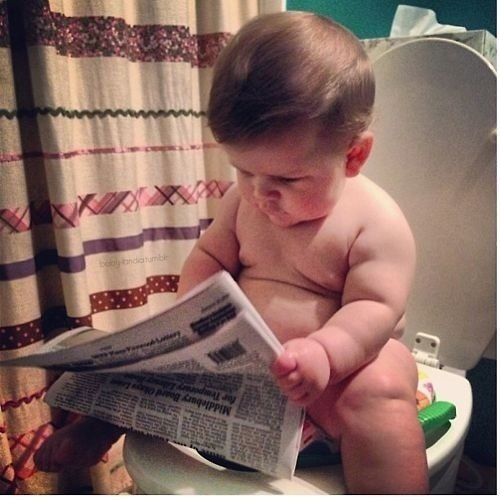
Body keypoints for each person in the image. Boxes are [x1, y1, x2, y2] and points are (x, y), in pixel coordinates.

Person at [34, 11, 428, 493]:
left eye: (286, 179)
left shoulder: (376, 221)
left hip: (334, 376)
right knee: (147, 366)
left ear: (353, 156)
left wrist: (326, 352)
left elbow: (377, 307)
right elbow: (210, 257)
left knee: (381, 386)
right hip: (239, 372)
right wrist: (192, 320)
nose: (260, 193)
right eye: (244, 170)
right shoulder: (244, 202)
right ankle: (102, 424)